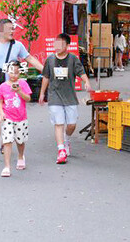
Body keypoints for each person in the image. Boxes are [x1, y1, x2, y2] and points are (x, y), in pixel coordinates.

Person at [0, 18, 43, 163]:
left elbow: (29, 58)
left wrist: (45, 70)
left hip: (12, 89)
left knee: (10, 118)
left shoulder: (17, 45)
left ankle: (5, 143)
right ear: (0, 31)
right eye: (9, 28)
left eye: (13, 28)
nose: (12, 31)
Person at [38, 33, 92, 164]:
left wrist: (87, 82)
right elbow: (46, 77)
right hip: (54, 95)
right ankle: (61, 150)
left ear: (67, 46)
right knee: (59, 123)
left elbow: (81, 72)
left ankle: (66, 139)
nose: (57, 46)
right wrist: (41, 94)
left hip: (69, 96)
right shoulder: (50, 60)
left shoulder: (73, 59)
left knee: (71, 125)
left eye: (61, 44)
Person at [0, 61, 32, 177]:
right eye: (11, 72)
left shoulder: (23, 84)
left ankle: (21, 156)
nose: (13, 75)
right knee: (7, 140)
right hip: (8, 118)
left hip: (21, 117)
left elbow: (28, 98)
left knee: (20, 141)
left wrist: (19, 91)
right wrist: (1, 113)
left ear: (20, 73)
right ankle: (7, 166)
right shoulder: (3, 86)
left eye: (16, 72)